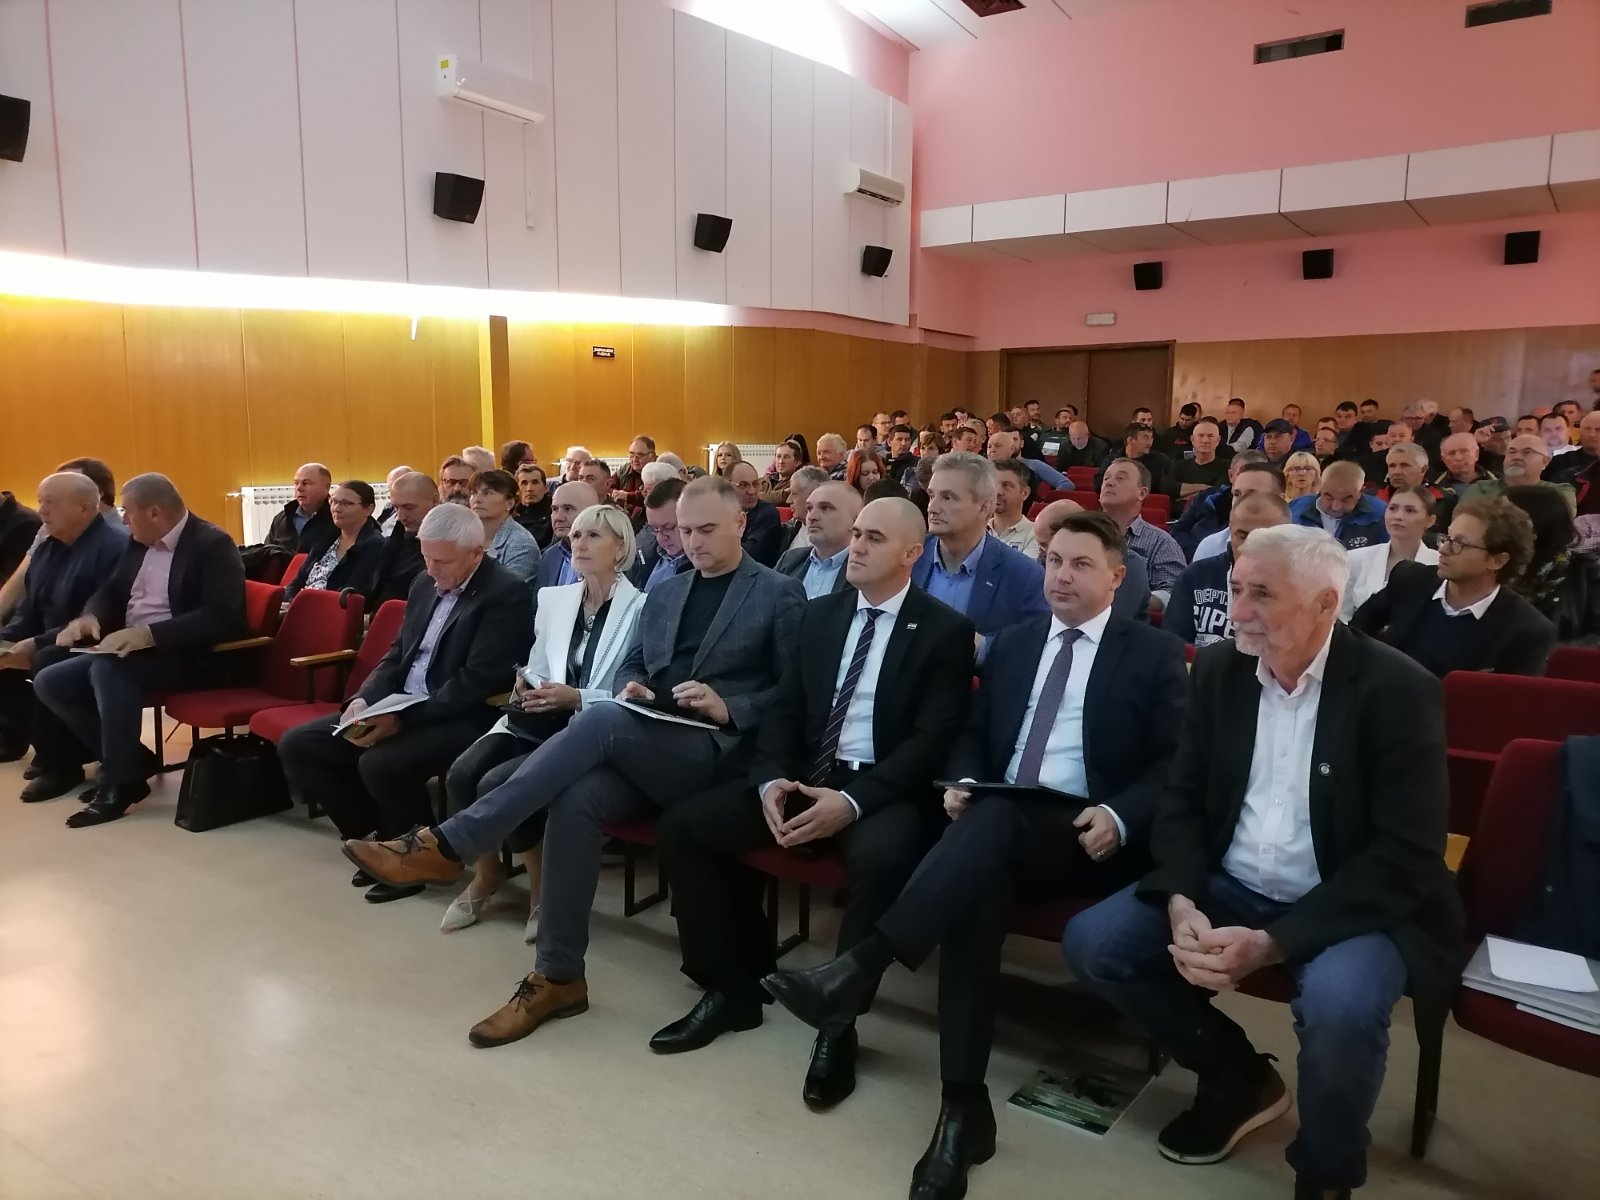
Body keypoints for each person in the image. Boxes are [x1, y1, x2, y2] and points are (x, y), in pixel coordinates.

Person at [762, 512, 1189, 1198]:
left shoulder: (1153, 653)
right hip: (1000, 825)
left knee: (987, 829)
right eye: (1053, 561)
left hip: (1088, 833)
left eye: (1081, 564)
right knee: (975, 888)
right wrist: (962, 778)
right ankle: (962, 1109)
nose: (1061, 575)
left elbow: (1175, 764)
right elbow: (972, 734)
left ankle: (861, 967)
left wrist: (1119, 814)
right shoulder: (1016, 643)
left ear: (1117, 577)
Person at [1062, 525, 1461, 1200]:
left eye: (1263, 595)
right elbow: (1183, 799)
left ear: (1326, 603)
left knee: (1340, 1007)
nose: (1239, 611)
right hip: (1233, 879)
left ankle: (1326, 1173)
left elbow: (1406, 854)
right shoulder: (1221, 671)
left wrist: (1274, 943)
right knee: (1096, 944)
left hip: (1349, 902)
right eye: (1235, 589)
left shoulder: (1398, 690)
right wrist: (1182, 898)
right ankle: (1238, 1076)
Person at [344, 475, 806, 1045]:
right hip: (652, 735)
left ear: (740, 522)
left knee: (601, 719)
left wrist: (730, 705)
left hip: (718, 750)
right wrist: (635, 686)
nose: (693, 541)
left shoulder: (778, 592)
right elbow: (635, 662)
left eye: (707, 529)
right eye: (685, 531)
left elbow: (795, 692)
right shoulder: (667, 593)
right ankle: (558, 975)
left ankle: (449, 844)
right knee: (576, 796)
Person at [653, 499, 975, 1112]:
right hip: (805, 774)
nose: (857, 546)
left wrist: (851, 803)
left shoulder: (943, 631)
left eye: (874, 538)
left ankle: (838, 1024)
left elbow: (930, 742)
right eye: (856, 534)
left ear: (913, 553)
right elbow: (784, 708)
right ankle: (731, 988)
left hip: (883, 789)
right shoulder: (821, 614)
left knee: (881, 860)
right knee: (687, 828)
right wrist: (770, 781)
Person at [278, 504, 532, 901]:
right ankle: (378, 841)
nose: (432, 569)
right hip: (403, 703)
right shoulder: (423, 582)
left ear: (476, 553)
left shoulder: (506, 593)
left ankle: (416, 861)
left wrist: (400, 720)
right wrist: (364, 699)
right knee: (300, 744)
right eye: (426, 557)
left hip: (468, 713)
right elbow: (398, 654)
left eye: (442, 561)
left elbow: (476, 681)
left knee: (381, 762)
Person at [439, 504, 647, 938]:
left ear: (621, 547)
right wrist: (526, 682)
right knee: (460, 774)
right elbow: (537, 662)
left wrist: (577, 697)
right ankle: (488, 874)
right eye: (576, 535)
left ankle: (540, 891)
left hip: (586, 730)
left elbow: (634, 694)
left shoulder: (642, 607)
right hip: (535, 717)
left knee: (496, 782)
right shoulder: (554, 598)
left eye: (593, 535)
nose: (580, 543)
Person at [35, 474, 245, 827]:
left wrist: (149, 635)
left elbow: (222, 616)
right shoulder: (138, 541)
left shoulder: (212, 544)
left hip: (190, 656)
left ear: (154, 513)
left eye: (126, 511)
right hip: (134, 650)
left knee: (108, 669)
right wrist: (90, 617)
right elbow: (112, 590)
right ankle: (132, 764)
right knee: (50, 680)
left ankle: (117, 783)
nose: (122, 520)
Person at [0, 474, 127, 783]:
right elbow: (30, 609)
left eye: (50, 503)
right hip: (50, 637)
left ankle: (59, 764)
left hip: (99, 640)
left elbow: (102, 617)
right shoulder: (47, 547)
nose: (41, 511)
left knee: (46, 659)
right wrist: (7, 640)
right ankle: (57, 744)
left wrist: (36, 643)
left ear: (84, 508)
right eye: (40, 502)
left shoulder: (114, 547)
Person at [1352, 496, 1555, 677]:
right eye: (1447, 538)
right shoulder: (1410, 579)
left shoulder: (1527, 630)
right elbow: (1354, 635)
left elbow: (1505, 702)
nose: (1443, 549)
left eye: (1460, 544)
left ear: (1498, 560)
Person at [910, 453, 1048, 641]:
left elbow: (1034, 643)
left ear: (984, 507)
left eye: (947, 498)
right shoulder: (907, 557)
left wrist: (982, 647)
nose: (932, 508)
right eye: (932, 495)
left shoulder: (1024, 576)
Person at [1167, 493, 1291, 647]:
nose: (1251, 546)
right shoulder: (1195, 577)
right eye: (1242, 536)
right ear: (1230, 531)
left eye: (1265, 538)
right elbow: (1173, 647)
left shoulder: (1300, 588)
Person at [1502, 484, 1600, 639]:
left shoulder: (1587, 574)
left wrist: (1543, 651)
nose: (1492, 526)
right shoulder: (1491, 568)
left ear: (1535, 524)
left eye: (1504, 518)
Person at [1033, 499, 1151, 621]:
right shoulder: (1045, 558)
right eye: (1055, 559)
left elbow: (1111, 620)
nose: (1042, 553)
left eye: (1046, 545)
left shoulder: (1129, 564)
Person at [1097, 459, 1186, 613]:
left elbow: (1172, 591)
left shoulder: (1161, 542)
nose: (1109, 483)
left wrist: (1128, 601)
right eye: (1106, 478)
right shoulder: (1079, 532)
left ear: (1142, 493)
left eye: (1120, 478)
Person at [1340, 486, 1440, 622]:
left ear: (1430, 520)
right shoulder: (1355, 558)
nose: (1398, 516)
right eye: (1393, 508)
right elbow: (1342, 615)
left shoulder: (1438, 564)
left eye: (1410, 510)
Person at [284, 480, 384, 600]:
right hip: (299, 603)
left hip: (330, 607)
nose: (336, 508)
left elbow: (350, 592)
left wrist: (302, 603)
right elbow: (297, 582)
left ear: (368, 509)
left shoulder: (374, 545)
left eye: (346, 503)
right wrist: (289, 601)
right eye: (334, 502)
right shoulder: (326, 537)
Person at [1172, 451, 1268, 557]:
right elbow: (1178, 530)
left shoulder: (1272, 509)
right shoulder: (1205, 497)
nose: (1248, 480)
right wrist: (1201, 553)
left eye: (1255, 476)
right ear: (1231, 475)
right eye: (1242, 474)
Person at [775, 482, 861, 598]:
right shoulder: (790, 559)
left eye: (825, 508)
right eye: (809, 508)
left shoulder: (866, 569)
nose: (811, 517)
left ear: (855, 521)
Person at [1190, 461, 1284, 562]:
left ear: (1280, 500)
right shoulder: (1211, 547)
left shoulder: (1295, 547)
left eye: (1251, 495)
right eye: (1237, 494)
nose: (1240, 501)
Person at [369, 471, 437, 606]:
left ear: (435, 501)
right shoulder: (393, 542)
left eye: (409, 508)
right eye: (395, 508)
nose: (400, 517)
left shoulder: (451, 545)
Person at [1289, 461, 1387, 550]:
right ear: (1321, 487)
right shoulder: (1295, 509)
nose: (1336, 507)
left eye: (1345, 500)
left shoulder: (1381, 514)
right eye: (1329, 497)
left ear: (1361, 491)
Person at [469, 469, 542, 583]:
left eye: (487, 493)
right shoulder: (465, 537)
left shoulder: (521, 544)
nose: (477, 500)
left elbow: (508, 590)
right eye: (473, 493)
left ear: (510, 503)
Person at [534, 481, 601, 596]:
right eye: (555, 509)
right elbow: (538, 604)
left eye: (568, 509)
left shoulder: (609, 557)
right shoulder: (550, 556)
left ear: (592, 512)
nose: (558, 517)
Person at [630, 479, 691, 594]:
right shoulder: (644, 555)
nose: (661, 537)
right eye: (654, 528)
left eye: (668, 527)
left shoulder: (705, 566)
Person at [266, 463, 334, 553]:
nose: (299, 488)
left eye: (306, 483)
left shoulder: (338, 518)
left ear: (326, 487)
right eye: (296, 483)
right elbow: (267, 553)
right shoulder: (282, 518)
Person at [728, 461, 785, 568]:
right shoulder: (719, 513)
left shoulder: (768, 515)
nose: (752, 491)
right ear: (728, 486)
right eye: (743, 485)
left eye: (755, 484)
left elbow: (748, 557)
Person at [1095, 423, 1170, 495]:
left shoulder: (1159, 460)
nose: (1149, 443)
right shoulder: (1113, 458)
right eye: (1145, 437)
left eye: (1151, 438)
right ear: (1130, 440)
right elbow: (1098, 483)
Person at [1167, 417, 1229, 501]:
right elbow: (1168, 488)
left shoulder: (1226, 467)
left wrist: (1186, 497)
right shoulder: (1178, 465)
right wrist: (1205, 487)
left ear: (1218, 440)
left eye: (1210, 436)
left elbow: (1217, 493)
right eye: (1201, 435)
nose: (1205, 440)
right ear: (1192, 439)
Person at [988, 458, 1037, 560]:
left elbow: (1024, 570)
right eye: (994, 484)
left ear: (1024, 493)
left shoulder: (1035, 535)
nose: (998, 492)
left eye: (1006, 485)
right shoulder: (976, 529)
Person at [780, 465, 830, 555]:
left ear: (813, 495)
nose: (788, 500)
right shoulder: (788, 529)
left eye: (794, 494)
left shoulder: (831, 538)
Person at [1433, 432, 1495, 498]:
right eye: (1451, 453)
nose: (1458, 458)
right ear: (1443, 459)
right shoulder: (1432, 485)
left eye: (1464, 451)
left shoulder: (1498, 481)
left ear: (1476, 454)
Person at [611, 436, 657, 515]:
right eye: (631, 455)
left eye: (639, 455)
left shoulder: (660, 472)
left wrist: (628, 497)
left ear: (652, 456)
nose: (634, 459)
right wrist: (616, 495)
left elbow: (654, 497)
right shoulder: (625, 469)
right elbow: (608, 486)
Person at [513, 462, 554, 548]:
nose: (529, 489)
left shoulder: (554, 512)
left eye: (535, 482)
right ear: (517, 490)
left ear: (546, 488)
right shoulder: (510, 514)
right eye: (524, 483)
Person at [760, 440, 804, 506]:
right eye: (778, 456)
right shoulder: (764, 480)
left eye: (786, 457)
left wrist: (761, 496)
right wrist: (782, 494)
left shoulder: (798, 483)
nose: (781, 461)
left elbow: (783, 499)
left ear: (797, 462)